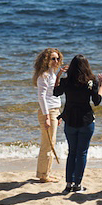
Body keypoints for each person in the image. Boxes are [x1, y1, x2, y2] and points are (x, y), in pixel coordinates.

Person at [53, 54, 102, 193]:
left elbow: (56, 92)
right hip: (86, 120)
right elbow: (97, 101)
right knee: (81, 153)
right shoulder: (91, 81)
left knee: (72, 153)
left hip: (70, 120)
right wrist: (101, 85)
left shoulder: (66, 81)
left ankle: (69, 184)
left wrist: (58, 75)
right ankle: (78, 185)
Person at [32, 48, 66, 183]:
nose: (56, 61)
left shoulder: (52, 73)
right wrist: (47, 116)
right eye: (53, 59)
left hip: (54, 110)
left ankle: (45, 173)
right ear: (46, 60)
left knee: (51, 142)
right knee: (48, 144)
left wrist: (59, 75)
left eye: (57, 58)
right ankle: (43, 175)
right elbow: (42, 97)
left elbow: (54, 92)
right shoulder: (44, 75)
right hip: (48, 111)